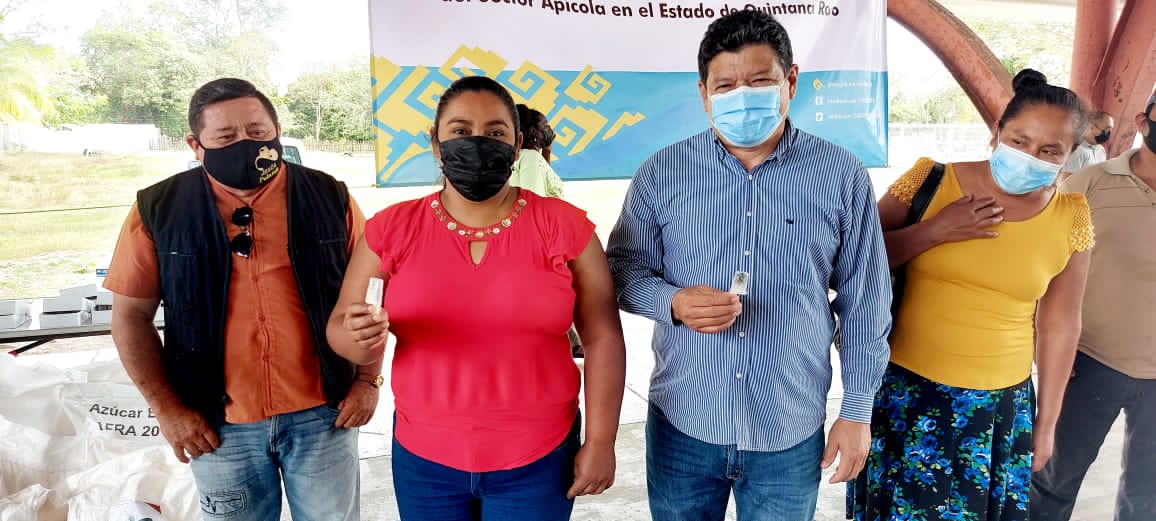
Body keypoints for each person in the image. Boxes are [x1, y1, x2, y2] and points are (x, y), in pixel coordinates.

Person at [606, 10, 892, 521]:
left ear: (791, 81)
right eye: (726, 85)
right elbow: (622, 270)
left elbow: (865, 301)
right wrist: (671, 301)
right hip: (684, 424)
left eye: (760, 81)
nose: (742, 96)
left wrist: (856, 412)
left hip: (789, 426)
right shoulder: (661, 173)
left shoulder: (840, 175)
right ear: (704, 93)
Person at [327, 75, 627, 521]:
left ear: (517, 144)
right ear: (436, 143)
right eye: (461, 130)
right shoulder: (390, 229)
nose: (478, 143)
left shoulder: (564, 227)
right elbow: (342, 333)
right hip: (425, 458)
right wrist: (358, 338)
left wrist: (601, 441)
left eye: (495, 132)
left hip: (540, 455)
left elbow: (603, 338)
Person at [105, 78, 375, 521]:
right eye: (226, 137)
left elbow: (369, 299)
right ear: (196, 145)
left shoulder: (331, 197)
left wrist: (367, 381)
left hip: (325, 416)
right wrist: (169, 411)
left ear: (277, 131)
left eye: (257, 131)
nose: (245, 145)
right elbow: (130, 317)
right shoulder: (159, 208)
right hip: (217, 426)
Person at [849, 69, 1094, 521]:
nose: (1030, 157)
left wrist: (1046, 424)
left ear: (1070, 155)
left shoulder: (1071, 217)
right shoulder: (930, 181)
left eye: (1049, 151)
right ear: (997, 131)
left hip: (1000, 408)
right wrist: (934, 231)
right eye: (1019, 141)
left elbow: (1060, 325)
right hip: (909, 394)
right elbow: (856, 261)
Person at [1029, 89, 1156, 521]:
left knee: (1147, 496)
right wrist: (1044, 349)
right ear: (1143, 121)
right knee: (1052, 481)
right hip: (1090, 361)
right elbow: (1044, 269)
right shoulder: (1089, 183)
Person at [509, 103, 565, 198]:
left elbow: (542, 179)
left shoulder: (524, 156)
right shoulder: (530, 157)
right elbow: (533, 198)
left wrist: (547, 152)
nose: (550, 130)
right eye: (545, 125)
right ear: (533, 132)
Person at [1061, 110, 1112, 177]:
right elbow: (1066, 181)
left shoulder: (1101, 150)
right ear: (1092, 127)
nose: (1109, 133)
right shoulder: (1076, 150)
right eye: (1107, 129)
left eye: (1110, 130)